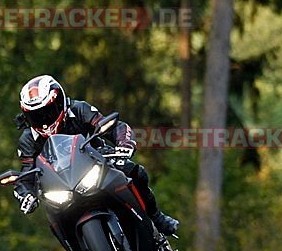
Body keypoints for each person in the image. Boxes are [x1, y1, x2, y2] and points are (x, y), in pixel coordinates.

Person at [12, 74, 179, 235]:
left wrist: (124, 144)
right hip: (60, 185)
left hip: (98, 162)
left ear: (60, 101)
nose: (44, 120)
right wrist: (26, 194)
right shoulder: (28, 139)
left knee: (136, 172)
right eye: (36, 116)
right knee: (52, 217)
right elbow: (27, 172)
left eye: (48, 111)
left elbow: (113, 127)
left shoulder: (79, 110)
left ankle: (156, 217)